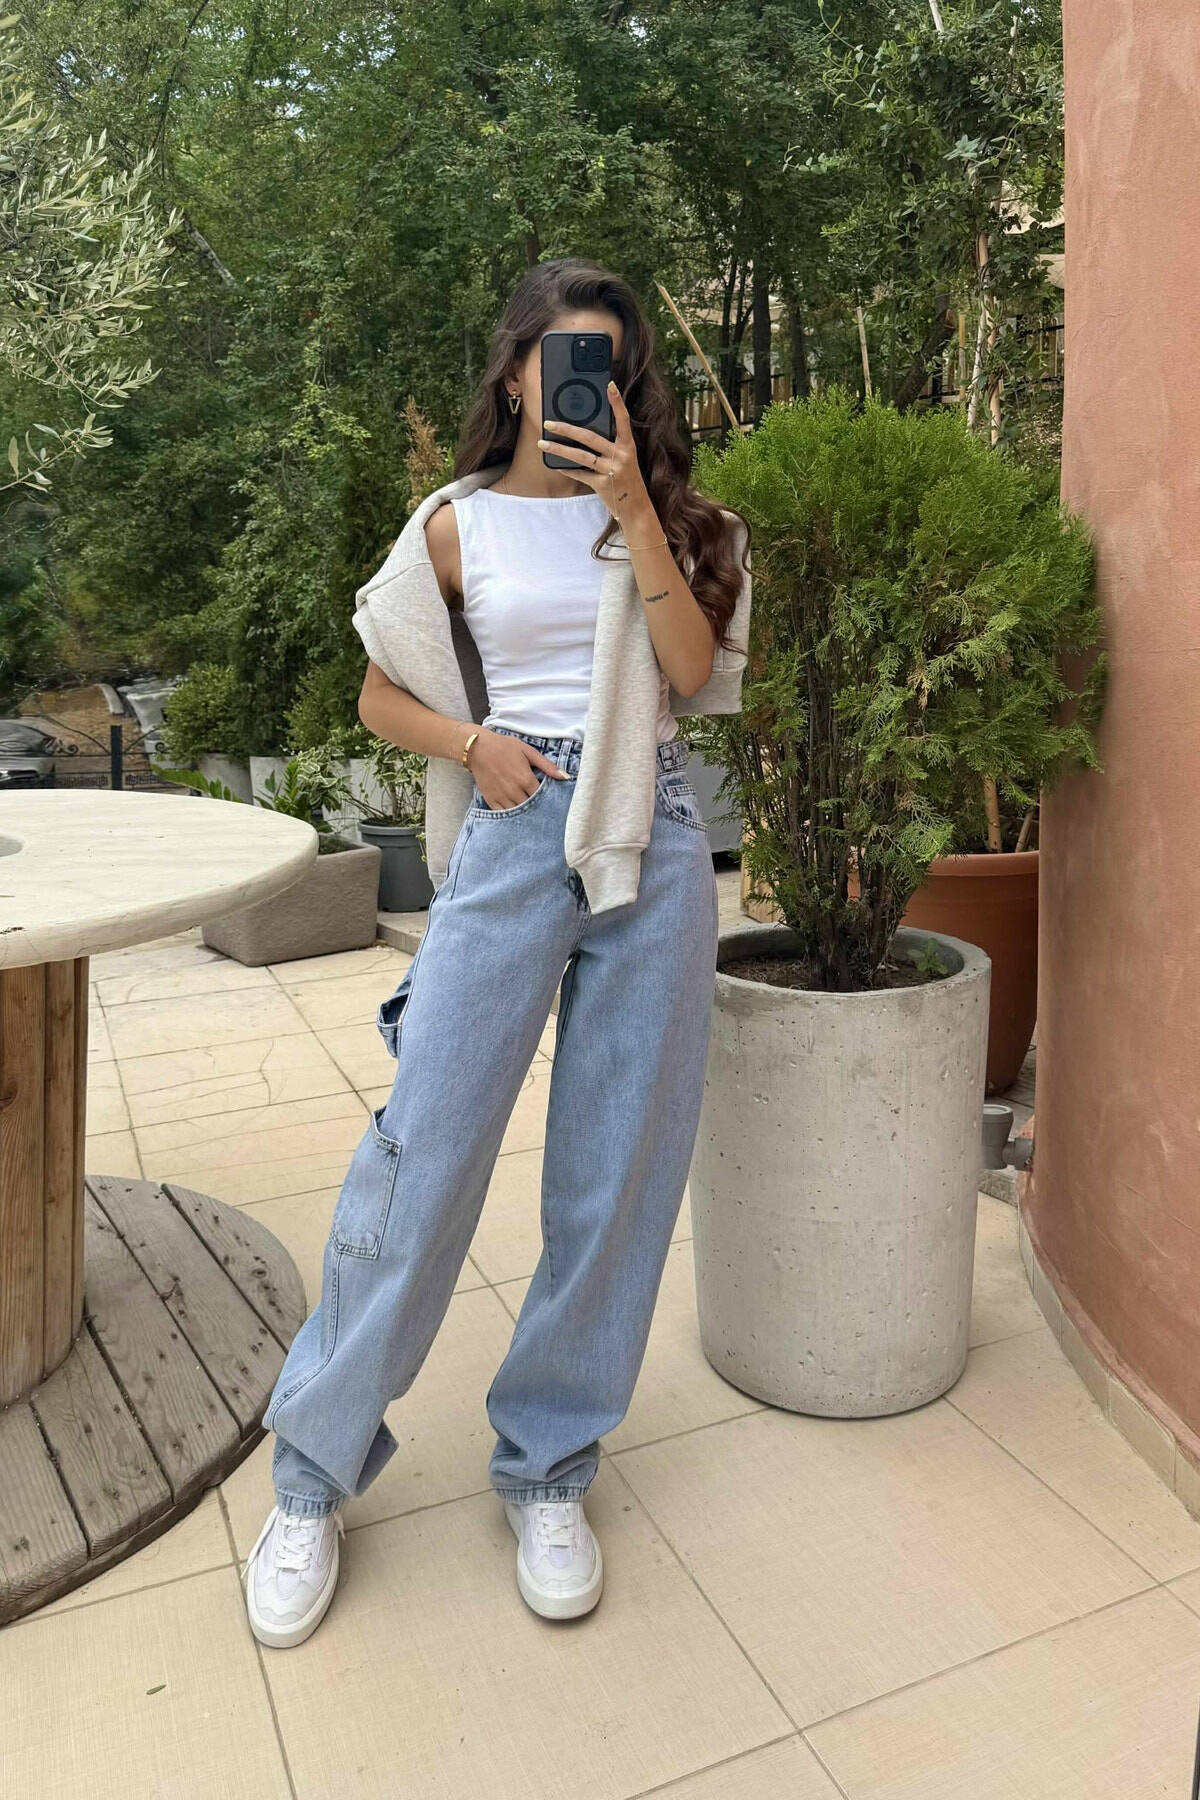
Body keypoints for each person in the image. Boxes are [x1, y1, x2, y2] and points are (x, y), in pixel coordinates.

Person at [242, 258, 752, 1648]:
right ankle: (311, 1474)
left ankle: (548, 1466)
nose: (586, 382)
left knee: (617, 1173)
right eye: (561, 356)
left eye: (610, 363)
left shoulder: (677, 519)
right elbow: (379, 692)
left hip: (651, 831)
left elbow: (691, 677)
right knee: (424, 1153)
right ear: (515, 369)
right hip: (520, 825)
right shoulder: (452, 525)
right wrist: (476, 746)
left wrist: (633, 508)